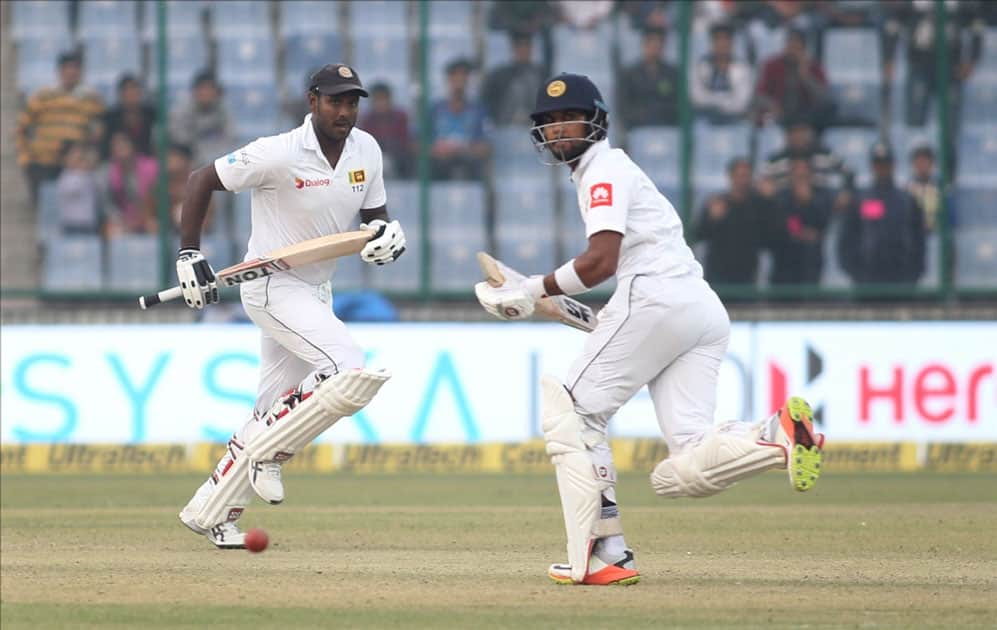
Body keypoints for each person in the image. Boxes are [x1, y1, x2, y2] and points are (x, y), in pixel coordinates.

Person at [474, 73, 824, 586]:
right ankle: (776, 436)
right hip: (696, 309)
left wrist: (533, 291)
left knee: (572, 413)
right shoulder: (609, 172)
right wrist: (544, 295)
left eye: (566, 118)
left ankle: (603, 554)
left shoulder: (603, 170)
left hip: (655, 298)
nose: (557, 130)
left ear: (595, 120)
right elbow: (617, 308)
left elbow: (600, 263)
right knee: (683, 467)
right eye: (547, 123)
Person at [175, 64, 406, 548]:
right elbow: (201, 179)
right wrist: (190, 252)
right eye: (335, 101)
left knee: (270, 409)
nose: (345, 111)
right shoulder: (277, 152)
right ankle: (269, 453)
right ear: (312, 101)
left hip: (316, 289)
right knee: (346, 367)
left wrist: (386, 235)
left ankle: (209, 512)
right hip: (270, 285)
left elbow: (374, 218)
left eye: (352, 102)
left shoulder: (367, 149)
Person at [16, 50, 105, 206]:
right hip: (43, 163)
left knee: (75, 210)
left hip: (76, 167)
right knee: (45, 210)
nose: (71, 72)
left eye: (75, 68)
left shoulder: (91, 99)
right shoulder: (42, 96)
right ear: (59, 71)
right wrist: (25, 158)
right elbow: (21, 128)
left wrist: (89, 158)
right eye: (67, 67)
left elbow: (99, 132)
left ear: (81, 72)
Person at [838, 141, 925, 286]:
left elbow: (918, 240)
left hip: (901, 277)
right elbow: (847, 238)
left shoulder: (907, 200)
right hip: (866, 278)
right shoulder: (860, 199)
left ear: (893, 165)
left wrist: (914, 273)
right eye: (878, 164)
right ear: (872, 166)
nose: (882, 168)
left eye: (886, 163)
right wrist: (855, 272)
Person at [693, 157, 769, 286]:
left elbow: (772, 236)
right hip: (718, 277)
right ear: (730, 176)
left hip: (747, 277)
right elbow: (697, 234)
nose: (742, 181)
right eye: (739, 175)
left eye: (746, 176)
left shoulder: (759, 206)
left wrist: (769, 201)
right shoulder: (717, 203)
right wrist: (712, 219)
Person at [769, 157, 833, 285]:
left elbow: (823, 225)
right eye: (797, 174)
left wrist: (808, 203)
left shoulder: (821, 198)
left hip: (811, 265)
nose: (800, 178)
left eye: (804, 174)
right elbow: (778, 228)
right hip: (784, 266)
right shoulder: (781, 199)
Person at [754, 28, 834, 129]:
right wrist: (772, 105)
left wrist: (806, 77)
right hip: (778, 114)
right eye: (790, 45)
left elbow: (824, 97)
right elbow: (759, 95)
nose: (792, 50)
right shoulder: (772, 65)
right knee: (762, 116)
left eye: (796, 47)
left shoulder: (814, 67)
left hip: (806, 117)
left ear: (804, 48)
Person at [429, 58, 490, 180]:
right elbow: (418, 144)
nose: (460, 80)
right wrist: (437, 148)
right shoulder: (435, 110)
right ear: (448, 79)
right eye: (455, 75)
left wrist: (465, 148)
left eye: (464, 76)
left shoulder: (478, 110)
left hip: (468, 162)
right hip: (440, 163)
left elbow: (487, 147)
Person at [168, 70, 236, 167]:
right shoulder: (181, 110)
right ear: (194, 91)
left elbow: (230, 137)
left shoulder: (224, 110)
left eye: (209, 89)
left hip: (216, 158)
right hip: (189, 159)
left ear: (216, 92)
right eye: (202, 89)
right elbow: (180, 139)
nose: (205, 93)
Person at [689, 22, 754, 124]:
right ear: (712, 42)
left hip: (734, 120)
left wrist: (715, 101)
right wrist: (725, 100)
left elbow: (742, 102)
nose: (723, 44)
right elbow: (697, 97)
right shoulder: (699, 66)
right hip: (704, 120)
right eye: (718, 39)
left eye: (726, 39)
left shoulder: (743, 68)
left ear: (732, 42)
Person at [480, 31, 547, 126]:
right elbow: (485, 101)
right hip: (504, 127)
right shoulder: (498, 75)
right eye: (520, 46)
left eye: (527, 46)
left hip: (534, 128)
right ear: (513, 49)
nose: (523, 50)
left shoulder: (541, 74)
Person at [617, 27, 679, 128]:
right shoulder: (630, 74)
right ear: (644, 45)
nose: (655, 50)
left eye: (658, 46)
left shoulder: (672, 73)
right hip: (638, 126)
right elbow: (623, 107)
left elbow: (677, 105)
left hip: (666, 125)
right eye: (651, 46)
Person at [104, 131, 159, 235]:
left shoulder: (151, 166)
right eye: (116, 146)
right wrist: (121, 220)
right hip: (126, 220)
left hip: (151, 215)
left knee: (154, 227)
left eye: (123, 145)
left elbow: (157, 197)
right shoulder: (110, 172)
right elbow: (110, 204)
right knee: (113, 231)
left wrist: (149, 217)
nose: (120, 149)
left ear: (132, 146)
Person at [359, 82, 412, 178]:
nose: (380, 103)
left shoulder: (400, 117)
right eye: (377, 100)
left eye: (383, 99)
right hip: (374, 158)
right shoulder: (368, 119)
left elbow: (404, 142)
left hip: (398, 159)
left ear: (389, 99)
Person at [100, 74, 156, 161]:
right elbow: (106, 147)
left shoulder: (151, 114)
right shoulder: (110, 117)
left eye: (135, 89)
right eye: (127, 90)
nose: (132, 94)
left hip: (148, 163)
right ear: (121, 94)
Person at [55, 141, 102, 234]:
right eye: (74, 155)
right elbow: (71, 191)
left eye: (80, 156)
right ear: (65, 159)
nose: (78, 158)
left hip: (89, 223)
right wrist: (82, 171)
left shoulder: (89, 174)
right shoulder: (65, 177)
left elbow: (98, 188)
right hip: (71, 224)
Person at [906, 145, 943, 234]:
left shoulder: (940, 187)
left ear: (932, 163)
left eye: (925, 160)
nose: (922, 164)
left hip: (936, 234)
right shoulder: (906, 189)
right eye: (918, 160)